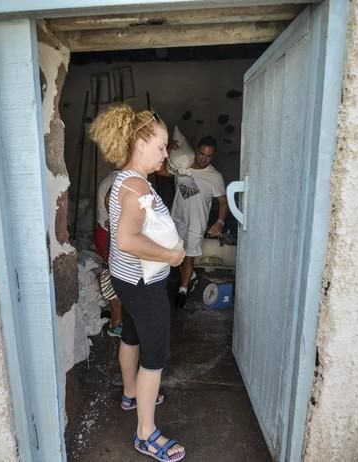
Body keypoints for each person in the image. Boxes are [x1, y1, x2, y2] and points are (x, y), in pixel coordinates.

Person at [89, 104, 187, 462]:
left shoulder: (123, 180)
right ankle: (146, 434)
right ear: (139, 142)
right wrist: (173, 258)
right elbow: (128, 239)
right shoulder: (134, 186)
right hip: (143, 284)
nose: (165, 153)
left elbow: (121, 241)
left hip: (127, 278)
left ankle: (131, 394)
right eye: (161, 145)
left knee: (131, 334)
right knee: (155, 354)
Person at [170, 136, 228, 309]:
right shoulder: (182, 165)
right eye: (201, 153)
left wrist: (220, 222)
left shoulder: (215, 177)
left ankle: (182, 291)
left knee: (188, 259)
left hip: (196, 224)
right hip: (177, 219)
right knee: (175, 256)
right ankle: (191, 276)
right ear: (196, 150)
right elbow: (160, 171)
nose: (204, 158)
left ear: (213, 156)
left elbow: (223, 203)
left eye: (209, 156)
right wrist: (167, 151)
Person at [94, 170, 122, 338]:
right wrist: (114, 219)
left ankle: (117, 320)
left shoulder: (113, 175)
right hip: (109, 235)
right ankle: (116, 324)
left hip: (105, 233)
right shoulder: (121, 178)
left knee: (116, 279)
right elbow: (109, 198)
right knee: (115, 281)